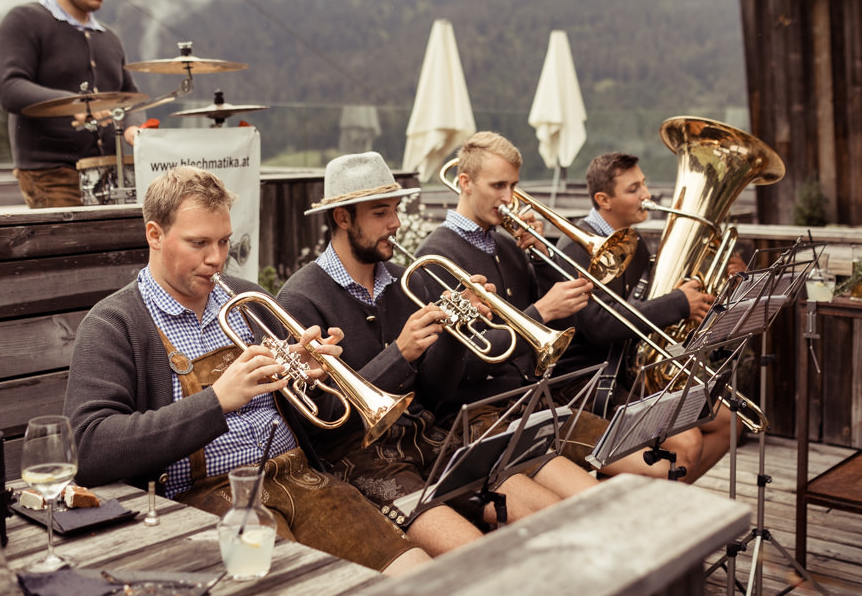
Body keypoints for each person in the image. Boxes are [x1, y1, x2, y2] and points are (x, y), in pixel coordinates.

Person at [63, 165, 430, 575]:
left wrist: (311, 379)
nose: (216, 259)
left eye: (224, 241)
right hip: (204, 499)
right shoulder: (114, 324)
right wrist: (217, 400)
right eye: (198, 243)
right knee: (297, 583)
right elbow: (90, 448)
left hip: (303, 479)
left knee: (420, 574)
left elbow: (321, 421)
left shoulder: (250, 299)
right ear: (155, 235)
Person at [277, 152, 596, 555]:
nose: (394, 223)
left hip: (430, 437)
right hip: (359, 458)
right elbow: (321, 421)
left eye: (394, 210)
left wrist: (449, 336)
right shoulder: (300, 297)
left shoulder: (401, 281)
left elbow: (437, 394)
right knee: (474, 551)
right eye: (380, 213)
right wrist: (400, 353)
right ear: (342, 218)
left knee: (555, 517)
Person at [416, 131, 700, 480]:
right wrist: (541, 312)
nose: (509, 199)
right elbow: (469, 360)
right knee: (656, 469)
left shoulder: (506, 247)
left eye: (514, 186)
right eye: (498, 186)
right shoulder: (436, 255)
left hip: (534, 399)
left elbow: (558, 312)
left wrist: (542, 256)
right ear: (465, 183)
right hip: (481, 410)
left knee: (670, 462)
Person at [557, 151, 742, 482]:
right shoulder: (574, 248)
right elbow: (598, 324)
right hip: (588, 385)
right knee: (688, 442)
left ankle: (662, 499)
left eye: (643, 184)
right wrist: (678, 304)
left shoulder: (636, 245)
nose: (646, 195)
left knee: (730, 422)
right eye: (633, 189)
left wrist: (704, 290)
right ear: (604, 199)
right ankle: (660, 508)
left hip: (626, 375)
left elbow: (650, 304)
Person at [0, 0, 141, 208]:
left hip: (110, 172)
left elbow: (129, 96)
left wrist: (134, 127)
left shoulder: (109, 38)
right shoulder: (24, 20)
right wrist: (74, 105)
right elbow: (8, 87)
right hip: (51, 174)